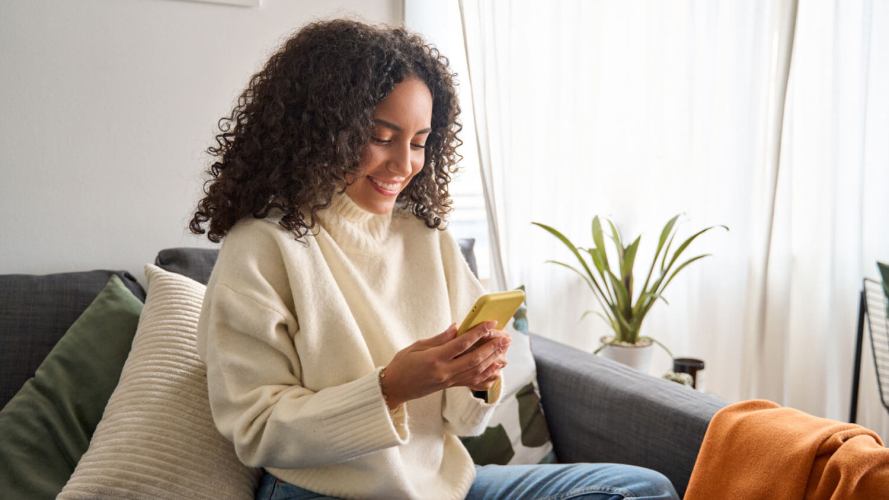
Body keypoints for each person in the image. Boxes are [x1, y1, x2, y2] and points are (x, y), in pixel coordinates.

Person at [189, 19, 679, 500]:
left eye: (420, 142)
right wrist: (389, 388)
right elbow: (256, 429)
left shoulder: (425, 235)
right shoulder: (263, 246)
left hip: (443, 485)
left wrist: (478, 378)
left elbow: (460, 422)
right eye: (382, 137)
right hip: (324, 491)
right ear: (321, 131)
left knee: (638, 489)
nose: (405, 165)